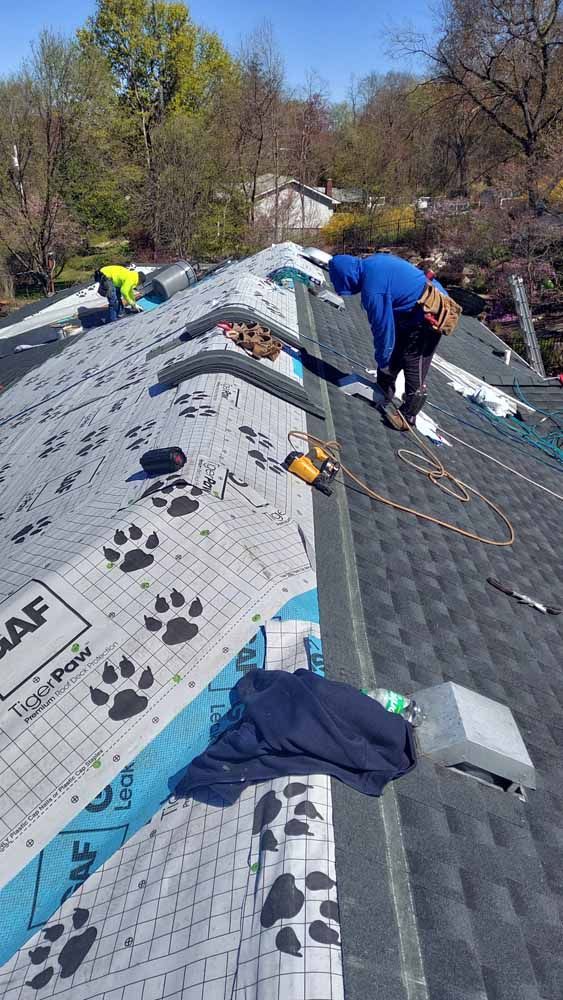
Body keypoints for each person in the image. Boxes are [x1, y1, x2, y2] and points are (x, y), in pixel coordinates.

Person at [329, 252, 461, 429]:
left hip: (431, 312)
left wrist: (383, 360)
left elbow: (383, 330)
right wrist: (386, 359)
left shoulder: (373, 289)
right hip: (415, 311)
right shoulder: (373, 262)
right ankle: (384, 391)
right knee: (396, 350)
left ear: (347, 276)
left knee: (413, 360)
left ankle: (408, 416)